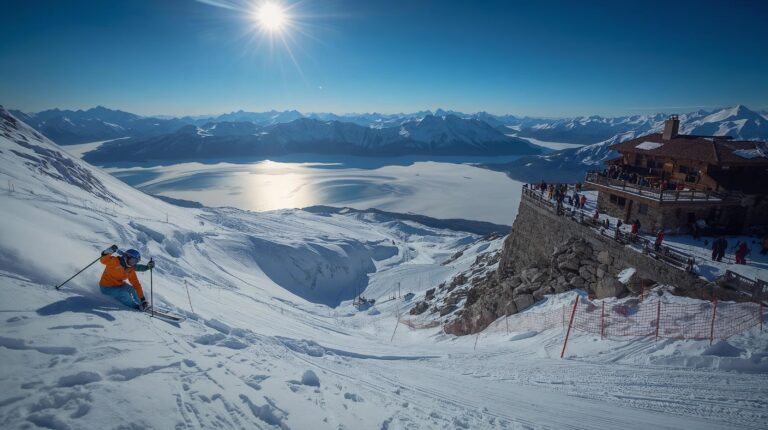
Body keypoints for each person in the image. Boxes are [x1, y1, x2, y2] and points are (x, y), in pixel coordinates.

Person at [99, 245, 154, 310]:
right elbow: (103, 260)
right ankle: (135, 306)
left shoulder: (130, 269)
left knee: (132, 290)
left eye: (135, 262)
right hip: (106, 287)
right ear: (126, 257)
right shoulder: (115, 262)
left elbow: (136, 285)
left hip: (119, 285)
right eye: (132, 260)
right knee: (124, 294)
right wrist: (108, 251)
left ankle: (142, 303)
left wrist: (142, 299)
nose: (133, 263)